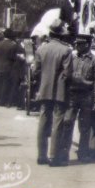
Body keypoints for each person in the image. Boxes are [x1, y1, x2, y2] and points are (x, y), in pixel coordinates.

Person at [34, 19, 73, 166]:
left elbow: (35, 70)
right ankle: (53, 156)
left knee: (43, 121)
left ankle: (41, 155)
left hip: (44, 90)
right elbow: (68, 73)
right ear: (61, 35)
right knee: (58, 122)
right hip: (60, 92)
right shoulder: (66, 50)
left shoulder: (41, 49)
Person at [61, 34, 95, 161]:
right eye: (76, 44)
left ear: (87, 45)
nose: (77, 46)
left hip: (86, 96)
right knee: (67, 122)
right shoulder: (72, 58)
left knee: (84, 126)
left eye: (80, 44)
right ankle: (64, 152)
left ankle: (83, 153)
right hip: (72, 95)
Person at [0, 28, 20, 106]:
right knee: (6, 84)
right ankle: (4, 101)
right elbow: (13, 58)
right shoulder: (13, 45)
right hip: (8, 67)